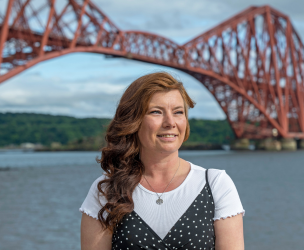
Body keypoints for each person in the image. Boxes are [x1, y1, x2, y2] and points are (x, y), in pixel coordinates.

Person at [80, 72, 245, 250]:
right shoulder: (107, 190)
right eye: (156, 112)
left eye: (178, 112)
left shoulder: (215, 185)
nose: (170, 122)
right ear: (133, 121)